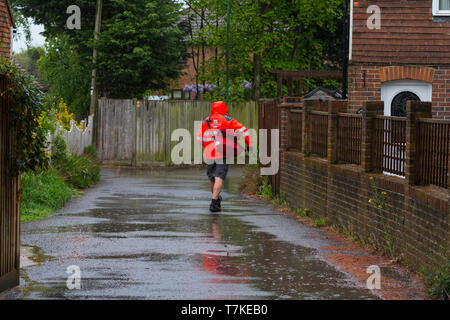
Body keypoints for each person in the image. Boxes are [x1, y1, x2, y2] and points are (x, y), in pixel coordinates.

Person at [197, 101, 252, 212]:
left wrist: (207, 146)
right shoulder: (228, 120)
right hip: (222, 152)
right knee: (219, 177)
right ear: (224, 108)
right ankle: (214, 203)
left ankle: (215, 199)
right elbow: (244, 131)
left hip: (209, 153)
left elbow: (199, 139)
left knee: (212, 178)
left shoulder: (206, 121)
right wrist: (249, 145)